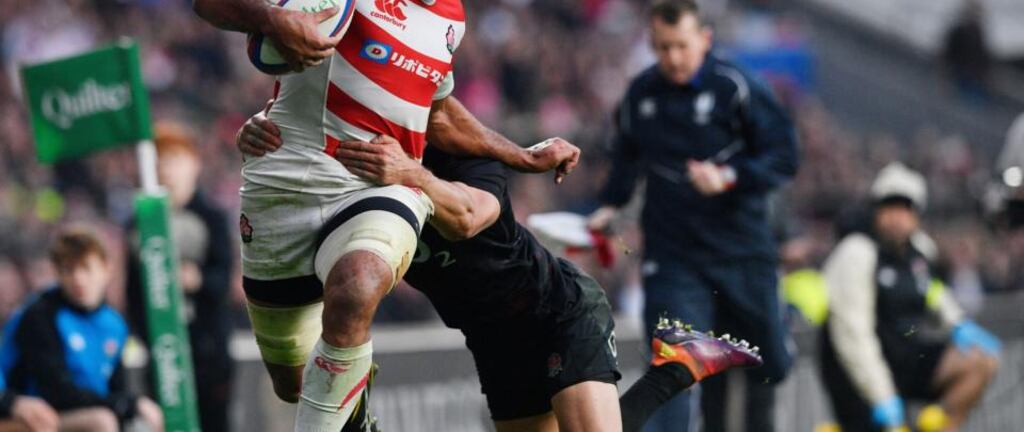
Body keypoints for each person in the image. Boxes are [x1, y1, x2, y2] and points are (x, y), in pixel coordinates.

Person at [193, 0, 579, 431]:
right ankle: (360, 413)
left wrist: (520, 155)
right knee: (293, 381)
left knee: (358, 284)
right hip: (286, 178)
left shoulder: (451, 17)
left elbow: (437, 112)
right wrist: (275, 18)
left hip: (378, 184)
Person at [238, 111, 763, 432]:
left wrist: (410, 173)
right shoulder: (356, 178)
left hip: (554, 312)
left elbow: (467, 218)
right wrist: (266, 137)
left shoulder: (466, 157)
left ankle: (675, 370)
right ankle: (681, 361)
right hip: (493, 342)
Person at [587, 0, 799, 432]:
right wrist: (609, 207)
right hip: (674, 260)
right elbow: (626, 161)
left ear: (705, 38)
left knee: (771, 363)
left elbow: (784, 156)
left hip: (742, 251)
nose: (673, 58)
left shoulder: (735, 88)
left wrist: (730, 177)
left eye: (682, 46)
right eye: (663, 47)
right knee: (674, 364)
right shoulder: (641, 95)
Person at [820, 163, 1000, 432]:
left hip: (905, 360)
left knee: (981, 362)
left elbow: (932, 290)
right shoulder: (857, 253)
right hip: (856, 376)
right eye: (889, 206)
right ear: (875, 210)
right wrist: (883, 396)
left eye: (906, 208)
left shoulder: (920, 249)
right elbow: (854, 336)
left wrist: (958, 323)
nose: (897, 217)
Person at [0, 225, 163, 432]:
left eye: (86, 268)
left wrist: (133, 405)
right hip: (34, 416)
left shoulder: (115, 324)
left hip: (83, 411)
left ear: (106, 270)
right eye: (68, 270)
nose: (78, 279)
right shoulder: (40, 316)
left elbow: (119, 386)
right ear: (57, 273)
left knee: (146, 421)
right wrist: (127, 405)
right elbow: (58, 392)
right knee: (101, 422)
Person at [127, 122, 234, 432]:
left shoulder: (210, 217)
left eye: (174, 159)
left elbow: (223, 280)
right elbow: (134, 293)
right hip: (163, 354)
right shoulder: (139, 224)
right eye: (159, 160)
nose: (166, 169)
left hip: (208, 351)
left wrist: (197, 280)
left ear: (194, 164)